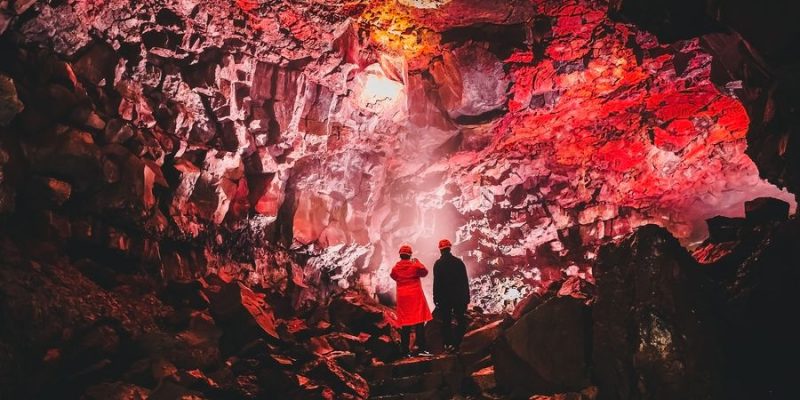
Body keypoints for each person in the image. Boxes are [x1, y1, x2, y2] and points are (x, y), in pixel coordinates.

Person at [390, 244, 433, 357]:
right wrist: (417, 262)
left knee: (406, 325)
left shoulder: (395, 268)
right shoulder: (415, 266)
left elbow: (393, 276)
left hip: (403, 299)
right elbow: (424, 272)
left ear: (400, 255)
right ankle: (421, 349)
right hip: (416, 297)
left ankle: (405, 352)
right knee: (419, 323)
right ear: (410, 255)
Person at [433, 239, 469, 353]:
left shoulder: (438, 264)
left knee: (446, 321)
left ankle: (448, 345)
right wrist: (466, 298)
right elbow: (464, 281)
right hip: (458, 297)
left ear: (440, 250)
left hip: (444, 299)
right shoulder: (458, 262)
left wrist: (435, 298)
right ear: (450, 248)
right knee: (461, 319)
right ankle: (460, 343)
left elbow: (437, 283)